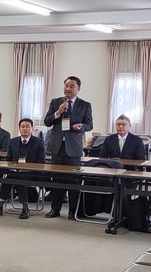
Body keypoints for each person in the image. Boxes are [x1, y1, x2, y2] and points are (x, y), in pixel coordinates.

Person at [43, 76, 93, 220]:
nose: (68, 89)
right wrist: (58, 112)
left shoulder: (85, 105)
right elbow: (47, 122)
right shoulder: (56, 102)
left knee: (73, 181)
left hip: (73, 148)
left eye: (72, 86)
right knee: (57, 180)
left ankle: (73, 211)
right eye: (66, 85)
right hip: (57, 147)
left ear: (78, 89)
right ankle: (55, 209)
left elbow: (89, 125)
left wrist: (81, 126)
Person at [0, 119, 45, 219]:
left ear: (32, 129)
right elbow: (9, 159)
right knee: (8, 179)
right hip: (15, 171)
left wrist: (26, 168)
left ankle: (25, 208)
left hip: (32, 173)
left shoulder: (38, 142)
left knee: (20, 178)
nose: (25, 129)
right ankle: (0, 205)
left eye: (27, 126)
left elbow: (41, 162)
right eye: (22, 126)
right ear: (19, 128)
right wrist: (14, 168)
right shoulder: (13, 142)